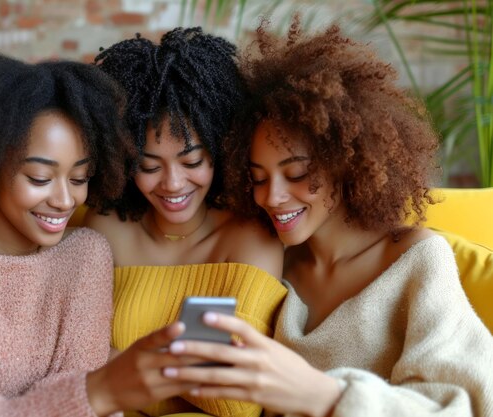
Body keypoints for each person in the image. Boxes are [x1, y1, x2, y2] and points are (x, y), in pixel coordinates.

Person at [160, 19, 493, 417]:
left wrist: (324, 396)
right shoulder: (270, 263)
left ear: (346, 161)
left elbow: (464, 407)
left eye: (297, 174)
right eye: (258, 177)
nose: (273, 196)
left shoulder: (416, 260)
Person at [0, 51, 200, 416]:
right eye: (39, 178)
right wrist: (97, 392)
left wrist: (97, 393)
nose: (63, 199)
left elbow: (80, 390)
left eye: (79, 178)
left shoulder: (84, 255)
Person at [83, 27, 287, 416]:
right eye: (148, 166)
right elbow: (73, 365)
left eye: (192, 162)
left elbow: (232, 401)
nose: (173, 184)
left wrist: (124, 372)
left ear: (221, 149)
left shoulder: (251, 236)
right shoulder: (106, 229)